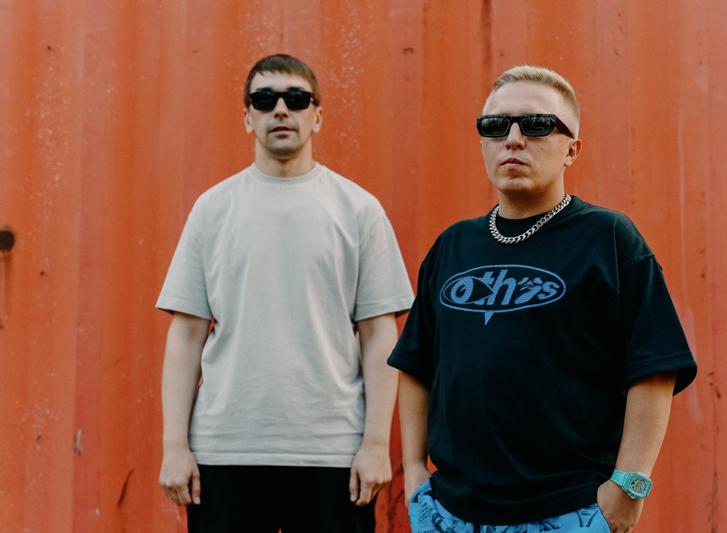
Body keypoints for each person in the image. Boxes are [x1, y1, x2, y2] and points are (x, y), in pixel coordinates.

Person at [388, 65, 697, 533]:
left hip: (568, 511)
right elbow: (415, 365)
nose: (513, 139)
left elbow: (654, 368)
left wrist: (628, 487)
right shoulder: (453, 245)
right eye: (496, 126)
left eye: (536, 125)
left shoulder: (608, 238)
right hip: (451, 512)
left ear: (572, 149)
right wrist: (414, 472)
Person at [156, 54, 414, 532]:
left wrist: (376, 444)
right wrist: (175, 446)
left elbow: (380, 335)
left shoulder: (359, 210)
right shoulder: (212, 210)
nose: (280, 109)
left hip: (333, 454)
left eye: (296, 99)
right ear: (247, 117)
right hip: (225, 452)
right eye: (264, 99)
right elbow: (186, 335)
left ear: (317, 116)